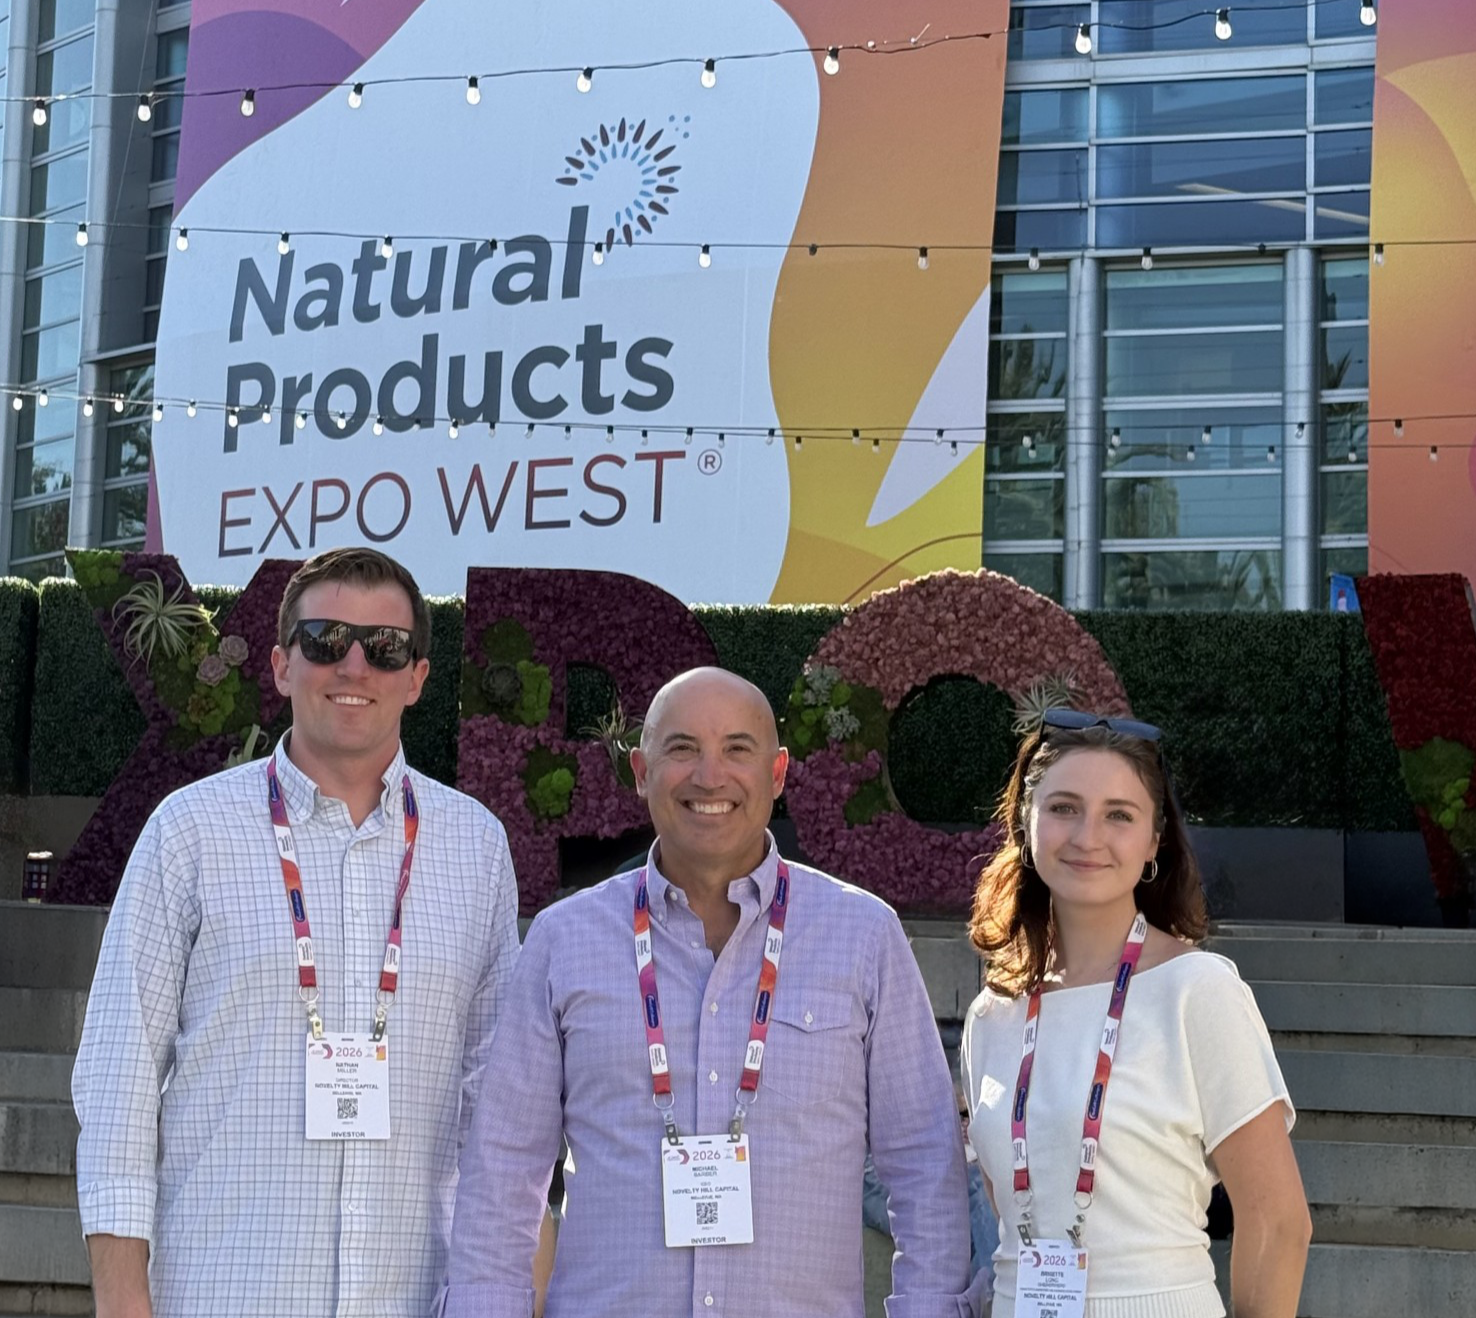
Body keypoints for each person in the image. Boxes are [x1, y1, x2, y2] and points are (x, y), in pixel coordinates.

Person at [443, 667, 975, 1317]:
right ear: (641, 771)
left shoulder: (863, 935)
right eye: (683, 748)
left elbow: (924, 1167)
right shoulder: (564, 940)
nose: (709, 775)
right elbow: (502, 1172)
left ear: (777, 774)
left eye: (737, 750)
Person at [73, 547, 521, 1317]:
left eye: (384, 648)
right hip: (222, 1292)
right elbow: (119, 1081)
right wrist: (121, 1305)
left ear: (416, 678)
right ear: (281, 665)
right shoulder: (190, 832)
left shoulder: (476, 847)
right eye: (324, 641)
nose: (353, 665)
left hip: (411, 1296)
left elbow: (497, 1097)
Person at [961, 710, 1310, 1318]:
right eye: (1064, 807)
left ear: (1154, 842)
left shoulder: (1197, 992)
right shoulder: (993, 1015)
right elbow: (1008, 1204)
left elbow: (1279, 1222)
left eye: (1119, 815)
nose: (1088, 836)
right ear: (1025, 821)